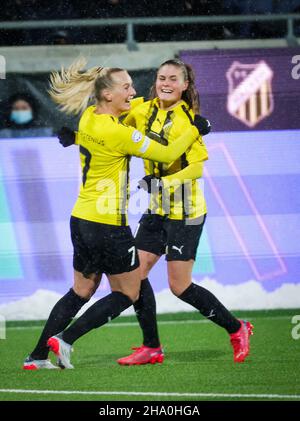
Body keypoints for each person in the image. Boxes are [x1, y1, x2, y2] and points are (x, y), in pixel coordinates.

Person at [58, 59, 254, 365]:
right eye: (162, 77)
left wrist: (164, 182)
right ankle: (152, 347)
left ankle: (237, 327)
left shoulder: (188, 119)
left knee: (179, 286)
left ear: (185, 86)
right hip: (156, 209)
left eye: (173, 79)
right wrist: (78, 138)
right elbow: (109, 128)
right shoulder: (141, 109)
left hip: (186, 209)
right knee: (137, 274)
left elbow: (197, 167)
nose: (166, 83)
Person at [23, 58, 205, 370]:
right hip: (108, 225)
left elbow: (103, 143)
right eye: (126, 87)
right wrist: (197, 131)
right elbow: (166, 153)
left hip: (80, 219)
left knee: (80, 291)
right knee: (129, 292)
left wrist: (76, 139)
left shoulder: (89, 118)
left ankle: (37, 356)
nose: (134, 92)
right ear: (108, 95)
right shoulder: (119, 133)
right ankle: (65, 339)